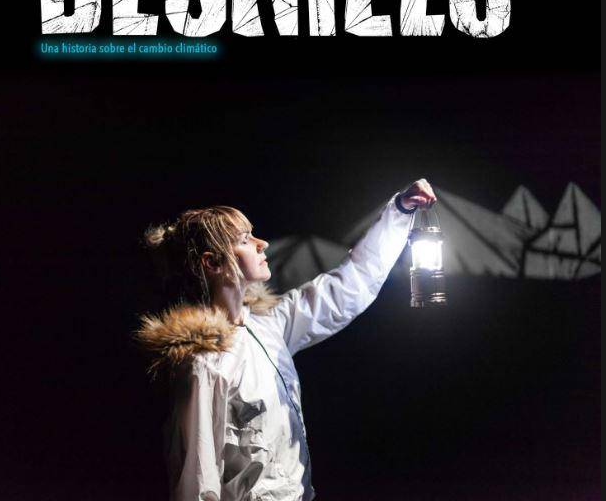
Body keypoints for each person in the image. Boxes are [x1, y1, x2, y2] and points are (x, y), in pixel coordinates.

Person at [136, 179, 437, 501]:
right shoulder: (202, 365)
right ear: (212, 263)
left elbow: (351, 284)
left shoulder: (268, 326)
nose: (261, 243)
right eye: (244, 240)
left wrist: (400, 211)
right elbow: (195, 480)